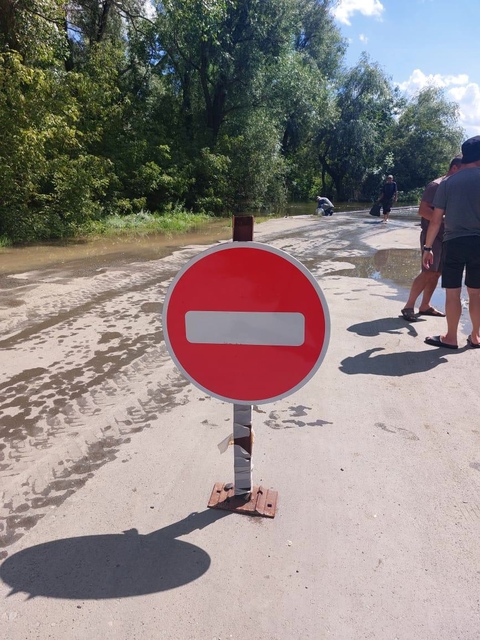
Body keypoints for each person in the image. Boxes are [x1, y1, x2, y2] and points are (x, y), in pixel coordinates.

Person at [423, 135, 480, 349]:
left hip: (454, 242)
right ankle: (475, 336)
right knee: (476, 292)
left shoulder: (449, 182)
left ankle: (451, 337)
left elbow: (436, 220)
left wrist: (428, 248)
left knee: (453, 291)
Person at [400, 156, 462, 322]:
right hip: (432, 235)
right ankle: (408, 306)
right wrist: (446, 219)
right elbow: (423, 210)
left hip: (447, 235)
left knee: (437, 272)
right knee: (428, 272)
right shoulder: (436, 185)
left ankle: (425, 305)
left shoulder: (455, 186)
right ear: (455, 168)